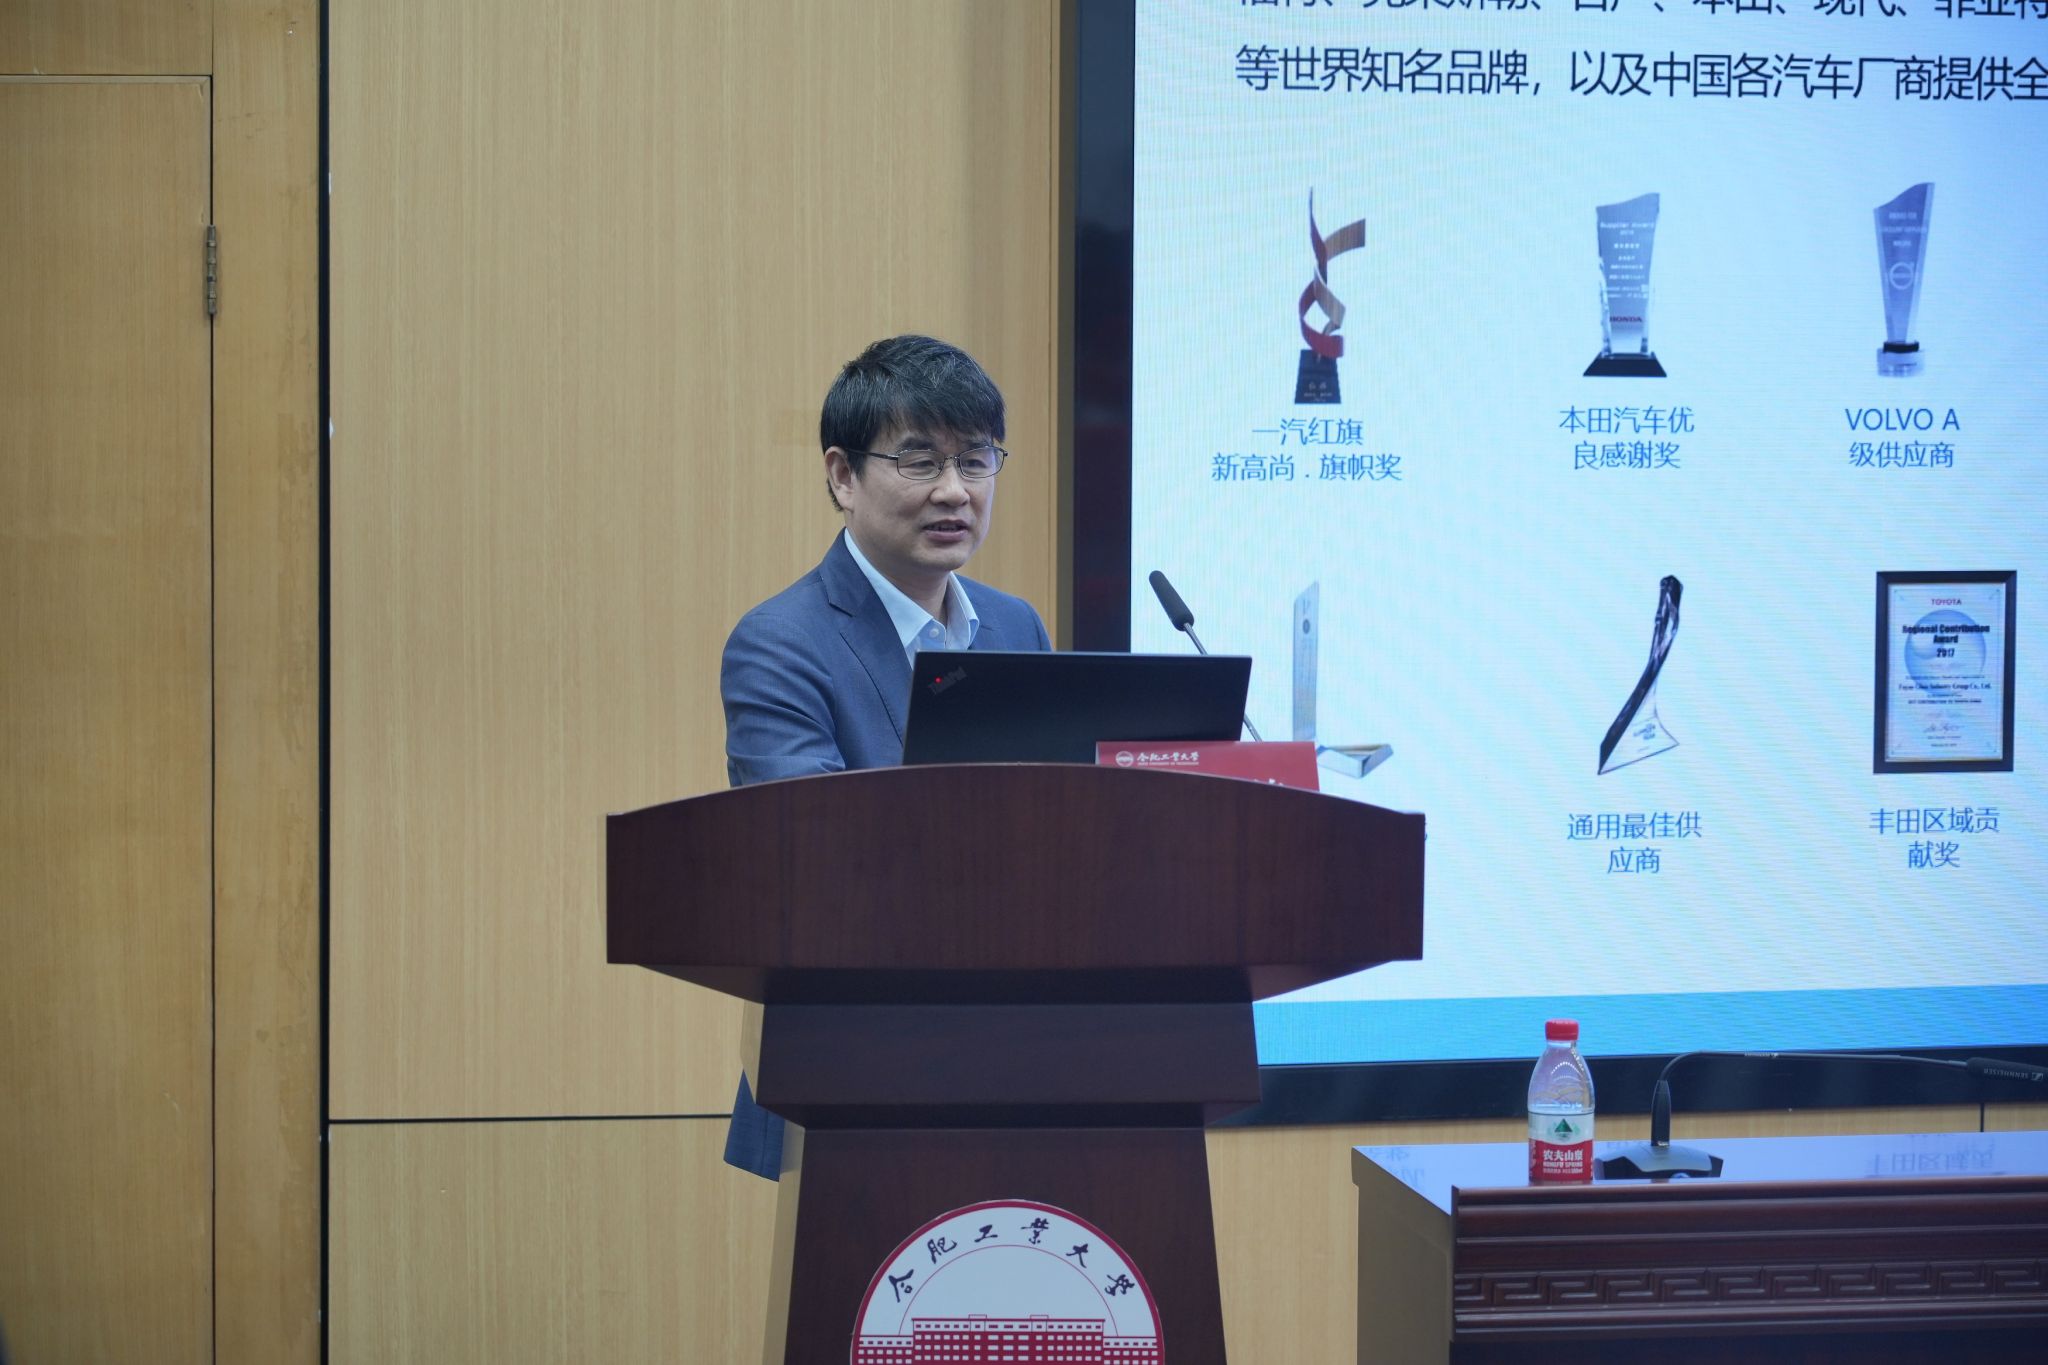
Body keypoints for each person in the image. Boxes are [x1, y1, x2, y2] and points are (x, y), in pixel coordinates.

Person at [717, 334, 1052, 1176]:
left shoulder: (1016, 627)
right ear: (842, 475)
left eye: (976, 459)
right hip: (850, 1068)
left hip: (1024, 1060)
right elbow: (819, 852)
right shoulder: (780, 643)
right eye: (919, 460)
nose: (954, 490)